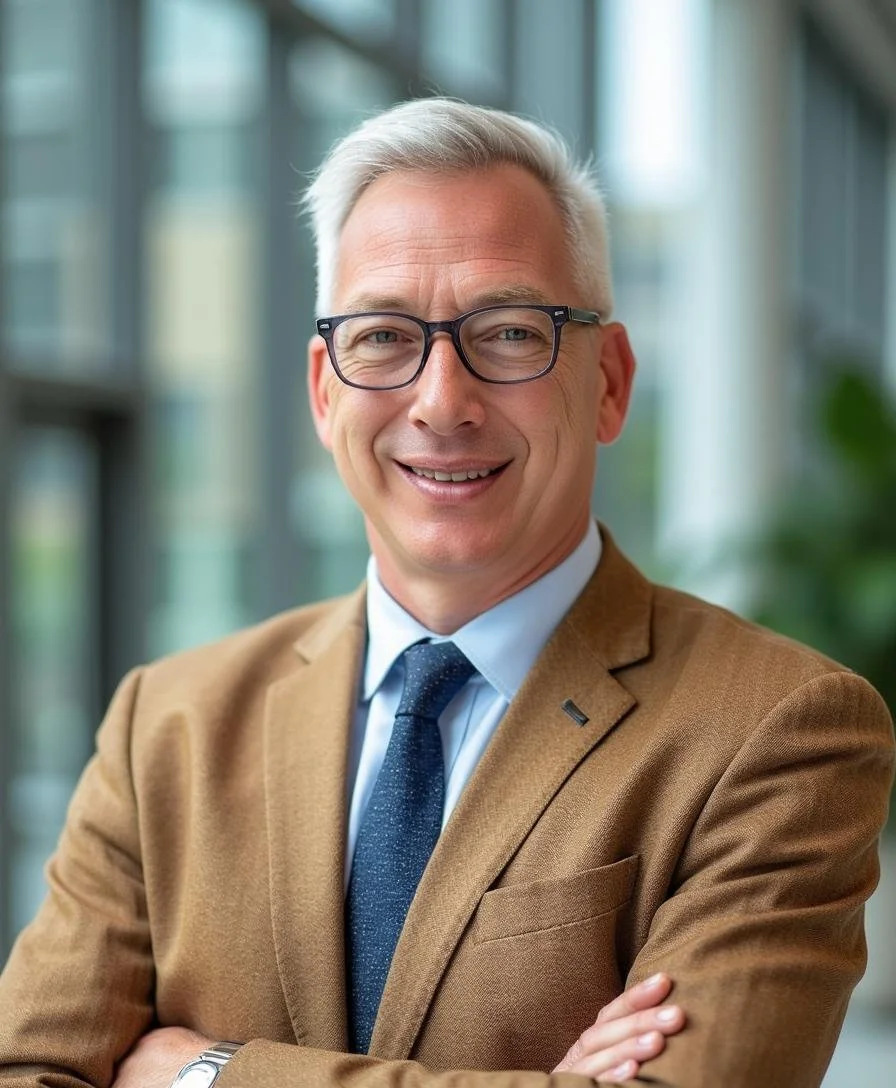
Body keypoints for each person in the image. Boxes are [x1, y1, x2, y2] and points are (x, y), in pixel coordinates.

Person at [0, 97, 893, 1088]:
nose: (441, 401)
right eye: (382, 336)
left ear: (607, 380)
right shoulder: (164, 722)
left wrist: (202, 1071)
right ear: (322, 390)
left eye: (508, 333)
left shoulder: (776, 730)